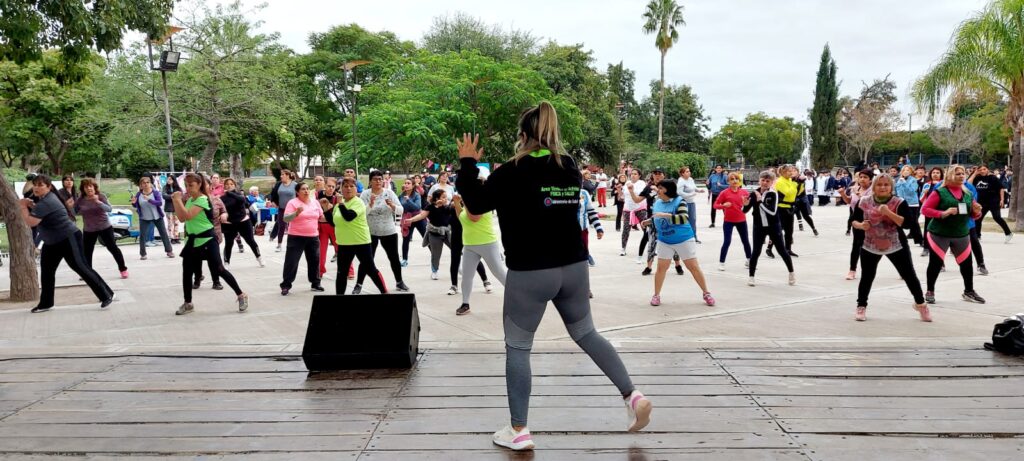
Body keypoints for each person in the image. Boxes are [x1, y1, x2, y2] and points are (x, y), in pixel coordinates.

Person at [455, 101, 651, 451]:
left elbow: (475, 205)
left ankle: (518, 430)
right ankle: (632, 396)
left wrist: (468, 162)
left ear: (522, 135)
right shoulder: (569, 166)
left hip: (531, 271)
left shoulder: (512, 171)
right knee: (587, 333)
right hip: (573, 267)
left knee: (518, 347)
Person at [20, 175, 115, 313]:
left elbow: (31, 222)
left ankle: (106, 295)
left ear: (49, 187)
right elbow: (41, 213)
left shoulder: (47, 202)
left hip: (68, 237)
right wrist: (30, 205)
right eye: (35, 185)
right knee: (47, 271)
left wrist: (22, 206)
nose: (36, 188)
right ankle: (46, 303)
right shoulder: (44, 200)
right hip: (52, 241)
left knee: (81, 267)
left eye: (40, 185)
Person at [850, 175, 929, 322]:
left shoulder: (899, 202)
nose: (883, 187)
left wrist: (888, 213)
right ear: (874, 187)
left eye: (886, 185)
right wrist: (861, 226)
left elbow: (907, 224)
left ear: (891, 187)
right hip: (870, 245)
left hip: (896, 244)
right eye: (879, 185)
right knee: (867, 276)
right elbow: (853, 220)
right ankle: (861, 306)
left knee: (909, 275)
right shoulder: (864, 201)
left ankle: (921, 304)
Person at [170, 173, 248, 315]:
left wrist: (178, 200)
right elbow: (182, 219)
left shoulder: (203, 199)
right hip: (192, 241)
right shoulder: (189, 200)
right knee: (187, 272)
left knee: (219, 269)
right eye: (186, 185)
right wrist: (176, 201)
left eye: (191, 185)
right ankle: (188, 303)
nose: (188, 188)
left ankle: (241, 295)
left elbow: (188, 215)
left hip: (207, 240)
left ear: (199, 185)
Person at [921, 165, 985, 304]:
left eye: (962, 174)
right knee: (935, 263)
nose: (961, 176)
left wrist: (977, 211)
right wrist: (943, 213)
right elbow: (925, 210)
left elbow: (973, 216)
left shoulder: (967, 193)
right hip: (939, 233)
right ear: (950, 176)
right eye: (958, 174)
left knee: (967, 264)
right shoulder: (939, 192)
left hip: (961, 233)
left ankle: (969, 291)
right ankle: (930, 290)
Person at [645, 179, 714, 307]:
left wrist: (665, 215)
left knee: (692, 267)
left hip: (684, 239)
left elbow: (683, 218)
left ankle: (706, 293)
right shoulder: (657, 203)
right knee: (661, 268)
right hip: (664, 240)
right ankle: (656, 295)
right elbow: (657, 217)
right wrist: (648, 221)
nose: (657, 190)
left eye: (660, 188)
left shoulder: (680, 201)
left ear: (667, 190)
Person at [321, 177, 388, 295]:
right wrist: (326, 209)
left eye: (351, 186)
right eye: (345, 186)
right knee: (341, 273)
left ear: (356, 189)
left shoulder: (358, 202)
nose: (348, 189)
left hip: (360, 242)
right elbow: (333, 223)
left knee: (371, 269)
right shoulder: (338, 205)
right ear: (341, 189)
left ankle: (385, 292)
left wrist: (340, 203)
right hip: (343, 243)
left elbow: (348, 217)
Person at [454, 169, 507, 315]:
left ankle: (519, 298)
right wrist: (457, 203)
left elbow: (474, 217)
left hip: (487, 243)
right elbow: (461, 217)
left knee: (499, 273)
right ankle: (465, 303)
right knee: (467, 276)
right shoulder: (469, 202)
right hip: (470, 244)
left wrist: (464, 198)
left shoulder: (481, 202)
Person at [353, 170, 408, 293]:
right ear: (370, 181)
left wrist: (393, 206)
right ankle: (358, 284)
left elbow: (400, 210)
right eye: (375, 179)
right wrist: (371, 204)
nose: (378, 181)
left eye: (380, 179)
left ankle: (399, 282)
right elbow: (362, 213)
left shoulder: (389, 193)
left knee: (394, 258)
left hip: (389, 231)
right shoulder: (365, 195)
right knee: (366, 260)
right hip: (370, 233)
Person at [744, 170, 795, 287]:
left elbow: (772, 212)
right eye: (763, 180)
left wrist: (760, 201)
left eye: (768, 181)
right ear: (759, 180)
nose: (765, 183)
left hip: (773, 226)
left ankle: (791, 272)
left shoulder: (773, 194)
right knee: (756, 251)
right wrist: (746, 204)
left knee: (782, 250)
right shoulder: (754, 193)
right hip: (759, 226)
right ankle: (751, 277)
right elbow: (745, 211)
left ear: (772, 182)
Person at [76, 178, 128, 279]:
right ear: (83, 189)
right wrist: (71, 207)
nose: (89, 188)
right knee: (87, 251)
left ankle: (123, 269)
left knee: (113, 248)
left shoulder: (101, 196)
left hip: (104, 227)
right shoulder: (81, 200)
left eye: (90, 186)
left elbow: (109, 209)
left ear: (94, 187)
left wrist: (98, 202)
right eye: (86, 187)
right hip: (89, 229)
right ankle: (88, 273)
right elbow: (75, 212)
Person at [279, 182, 325, 295]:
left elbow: (321, 217)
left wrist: (331, 214)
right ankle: (286, 285)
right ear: (297, 192)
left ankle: (315, 283)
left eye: (307, 189)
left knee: (314, 261)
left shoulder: (315, 203)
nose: (306, 191)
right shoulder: (293, 203)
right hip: (296, 237)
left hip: (313, 236)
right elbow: (286, 219)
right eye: (303, 189)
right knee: (292, 261)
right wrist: (296, 213)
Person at [638, 169, 684, 276]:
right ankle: (649, 267)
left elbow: (673, 201)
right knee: (651, 243)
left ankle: (678, 264)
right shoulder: (649, 188)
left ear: (664, 175)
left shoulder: (669, 186)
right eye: (655, 174)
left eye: (660, 174)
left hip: (670, 222)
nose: (657, 176)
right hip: (655, 221)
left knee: (674, 243)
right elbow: (647, 205)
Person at [220, 178, 263, 267]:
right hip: (229, 223)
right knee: (229, 243)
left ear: (235, 185)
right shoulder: (222, 198)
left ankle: (259, 258)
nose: (229, 186)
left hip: (243, 222)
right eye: (227, 184)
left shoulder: (239, 195)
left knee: (250, 241)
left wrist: (230, 193)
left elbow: (242, 200)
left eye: (231, 184)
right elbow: (220, 210)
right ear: (224, 186)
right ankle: (226, 262)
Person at [839, 169, 874, 280]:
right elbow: (850, 202)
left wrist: (860, 196)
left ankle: (901, 269)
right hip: (857, 219)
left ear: (870, 179)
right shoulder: (855, 188)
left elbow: (871, 204)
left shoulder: (873, 190)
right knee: (856, 245)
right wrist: (843, 194)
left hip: (870, 220)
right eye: (860, 177)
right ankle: (852, 270)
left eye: (865, 177)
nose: (862, 179)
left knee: (874, 247)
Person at [713, 172, 752, 271]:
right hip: (728, 221)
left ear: (739, 181)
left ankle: (749, 260)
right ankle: (721, 262)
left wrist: (747, 204)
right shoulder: (724, 193)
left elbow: (750, 204)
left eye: (737, 179)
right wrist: (723, 205)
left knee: (745, 241)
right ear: (728, 181)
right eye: (732, 179)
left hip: (741, 220)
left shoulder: (744, 192)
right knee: (727, 241)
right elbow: (715, 205)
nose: (735, 181)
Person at [133, 176, 175, 260]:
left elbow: (159, 203)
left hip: (157, 217)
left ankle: (169, 251)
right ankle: (143, 254)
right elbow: (136, 205)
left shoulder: (155, 192)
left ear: (150, 184)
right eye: (143, 183)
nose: (146, 184)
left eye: (147, 182)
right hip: (144, 218)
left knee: (163, 234)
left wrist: (149, 199)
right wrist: (133, 203)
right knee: (142, 235)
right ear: (141, 185)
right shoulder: (138, 194)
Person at [971, 165, 1013, 243]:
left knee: (997, 217)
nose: (982, 171)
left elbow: (1001, 188)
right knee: (978, 218)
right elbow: (968, 184)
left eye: (984, 169)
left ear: (987, 169)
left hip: (993, 201)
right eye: (980, 170)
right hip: (981, 202)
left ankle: (1008, 233)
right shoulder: (977, 178)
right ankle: (978, 236)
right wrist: (974, 174)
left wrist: (1002, 200)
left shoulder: (993, 178)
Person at [315, 177, 341, 277]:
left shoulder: (337, 197)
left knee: (341, 249)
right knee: (321, 250)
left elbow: (339, 213)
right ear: (325, 186)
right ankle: (320, 271)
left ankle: (348, 270)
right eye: (329, 186)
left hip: (334, 227)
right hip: (322, 227)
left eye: (333, 186)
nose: (330, 188)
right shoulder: (317, 195)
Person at [268, 169, 297, 252]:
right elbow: (272, 194)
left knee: (293, 227)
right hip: (281, 208)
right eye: (281, 174)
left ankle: (294, 244)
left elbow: (300, 195)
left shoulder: (295, 185)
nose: (281, 176)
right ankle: (279, 244)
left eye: (283, 174)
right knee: (281, 226)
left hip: (293, 209)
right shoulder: (278, 184)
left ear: (288, 175)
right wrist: (273, 202)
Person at [399, 178, 427, 266]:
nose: (406, 185)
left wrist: (408, 201)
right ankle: (404, 259)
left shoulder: (416, 195)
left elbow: (417, 207)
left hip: (418, 218)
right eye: (405, 183)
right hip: (407, 218)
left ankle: (435, 256)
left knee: (426, 237)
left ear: (413, 185)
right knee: (406, 239)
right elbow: (400, 208)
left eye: (408, 183)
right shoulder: (401, 195)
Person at [620, 169, 647, 257]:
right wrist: (619, 190)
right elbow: (622, 196)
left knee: (646, 228)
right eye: (632, 174)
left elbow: (640, 194)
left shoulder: (642, 183)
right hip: (628, 209)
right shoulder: (627, 183)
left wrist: (632, 189)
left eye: (635, 174)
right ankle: (623, 248)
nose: (633, 175)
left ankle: (652, 247)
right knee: (626, 229)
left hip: (640, 208)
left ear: (639, 175)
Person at [895, 165, 924, 246]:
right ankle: (899, 240)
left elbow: (911, 191)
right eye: (904, 170)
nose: (905, 171)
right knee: (899, 221)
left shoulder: (913, 180)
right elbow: (897, 191)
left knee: (914, 223)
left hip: (912, 204)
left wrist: (904, 183)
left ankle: (920, 240)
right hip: (901, 203)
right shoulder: (899, 180)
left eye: (908, 170)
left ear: (911, 172)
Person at [920, 167, 945, 257]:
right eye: (933, 172)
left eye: (937, 172)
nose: (935, 174)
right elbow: (921, 198)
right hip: (930, 210)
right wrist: (925, 193)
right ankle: (926, 248)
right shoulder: (927, 184)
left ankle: (945, 247)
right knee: (928, 229)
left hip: (942, 210)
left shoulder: (944, 184)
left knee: (943, 230)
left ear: (941, 174)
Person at [676, 166, 701, 243]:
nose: (689, 172)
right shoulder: (681, 181)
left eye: (689, 171)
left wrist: (699, 190)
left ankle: (694, 236)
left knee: (693, 220)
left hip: (691, 202)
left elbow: (694, 187)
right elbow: (679, 192)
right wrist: (690, 195)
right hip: (683, 203)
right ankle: (683, 237)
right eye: (687, 171)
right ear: (682, 174)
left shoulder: (690, 179)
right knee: (683, 220)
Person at [793, 169, 819, 236]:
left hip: (801, 199)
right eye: (791, 171)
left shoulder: (801, 179)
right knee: (789, 216)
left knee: (806, 216)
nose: (792, 172)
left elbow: (802, 179)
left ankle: (813, 228)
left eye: (794, 171)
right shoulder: (790, 179)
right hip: (794, 200)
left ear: (798, 172)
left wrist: (803, 177)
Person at [162, 174, 183, 244]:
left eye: (170, 179)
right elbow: (164, 195)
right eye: (167, 179)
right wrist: (172, 196)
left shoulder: (178, 188)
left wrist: (174, 196)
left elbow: (181, 195)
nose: (168, 180)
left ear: (174, 180)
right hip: (168, 208)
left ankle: (176, 237)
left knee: (176, 223)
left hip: (176, 208)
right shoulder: (165, 187)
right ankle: (172, 238)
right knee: (170, 223)